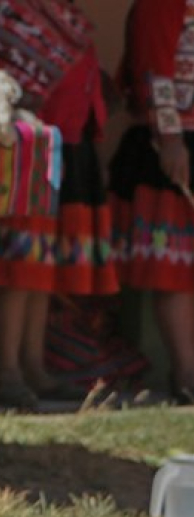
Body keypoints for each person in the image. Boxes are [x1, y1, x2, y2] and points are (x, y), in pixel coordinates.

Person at [0, 0, 117, 410]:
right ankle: (8, 370)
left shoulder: (69, 17)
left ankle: (34, 367)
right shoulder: (15, 12)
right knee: (19, 266)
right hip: (25, 147)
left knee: (43, 268)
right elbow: (6, 79)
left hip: (67, 147)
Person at [110, 0, 194, 404]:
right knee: (175, 266)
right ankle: (186, 372)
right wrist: (171, 138)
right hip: (175, 142)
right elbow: (152, 67)